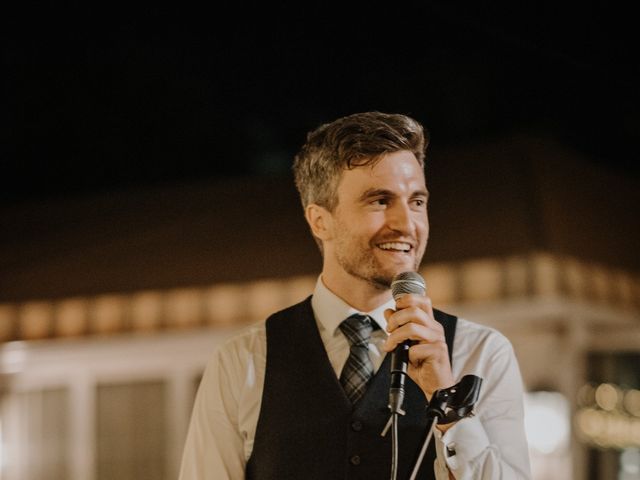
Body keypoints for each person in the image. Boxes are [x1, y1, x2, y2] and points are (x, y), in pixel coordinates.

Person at [178, 111, 531, 479]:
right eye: (380, 201)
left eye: (417, 202)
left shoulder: (482, 354)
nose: (407, 224)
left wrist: (448, 401)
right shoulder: (243, 361)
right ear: (320, 220)